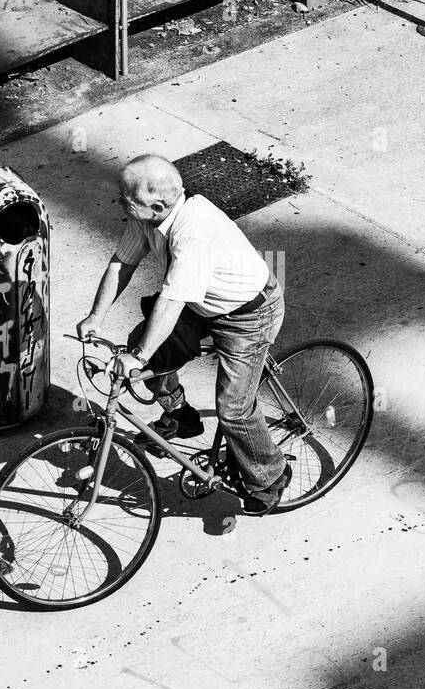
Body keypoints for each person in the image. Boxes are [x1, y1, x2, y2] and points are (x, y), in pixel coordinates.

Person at [77, 154, 291, 516]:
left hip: (248, 315)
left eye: (126, 198)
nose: (118, 203)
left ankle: (270, 476)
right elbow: (122, 263)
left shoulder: (192, 232)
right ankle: (181, 416)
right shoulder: (147, 219)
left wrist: (139, 356)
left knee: (234, 408)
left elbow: (172, 300)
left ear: (158, 204)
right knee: (144, 348)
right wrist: (96, 316)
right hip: (202, 307)